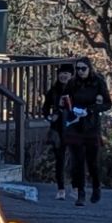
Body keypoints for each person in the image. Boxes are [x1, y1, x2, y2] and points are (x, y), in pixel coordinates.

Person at [61, 56, 112, 206]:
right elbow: (65, 100)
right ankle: (81, 193)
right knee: (77, 161)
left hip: (91, 125)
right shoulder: (72, 83)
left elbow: (107, 104)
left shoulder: (98, 82)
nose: (80, 71)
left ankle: (96, 187)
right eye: (78, 69)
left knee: (92, 161)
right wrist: (68, 107)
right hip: (75, 125)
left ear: (89, 68)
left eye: (83, 68)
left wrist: (91, 110)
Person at [40, 62, 77, 202]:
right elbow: (45, 108)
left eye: (66, 73)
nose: (63, 76)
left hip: (74, 128)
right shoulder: (54, 90)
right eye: (61, 73)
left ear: (71, 75)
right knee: (59, 160)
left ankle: (75, 188)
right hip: (58, 129)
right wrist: (50, 117)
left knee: (75, 159)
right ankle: (61, 189)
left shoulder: (78, 90)